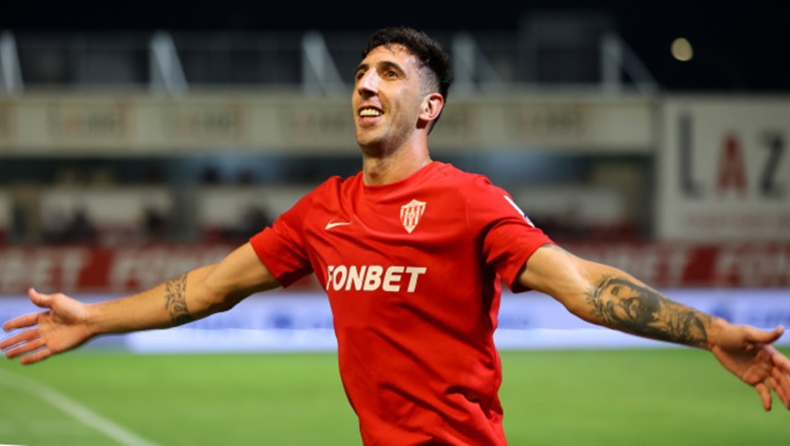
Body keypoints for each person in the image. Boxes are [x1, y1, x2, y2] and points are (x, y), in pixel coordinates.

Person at [2, 27, 789, 445]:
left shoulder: (469, 201)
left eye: (389, 73)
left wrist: (708, 330)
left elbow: (582, 286)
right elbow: (208, 288)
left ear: (429, 108)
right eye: (360, 74)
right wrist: (95, 318)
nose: (366, 85)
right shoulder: (323, 211)